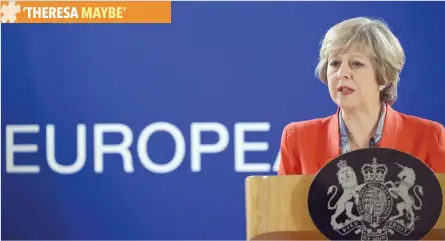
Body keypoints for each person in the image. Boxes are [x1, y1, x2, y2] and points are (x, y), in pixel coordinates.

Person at [278, 17, 445, 175]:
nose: (342, 73)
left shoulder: (429, 137)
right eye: (334, 63)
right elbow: (283, 205)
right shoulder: (297, 139)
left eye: (356, 64)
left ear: (384, 76)